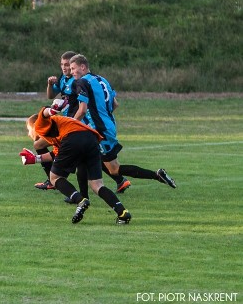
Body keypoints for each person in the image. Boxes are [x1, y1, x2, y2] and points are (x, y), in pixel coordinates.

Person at [68, 54, 177, 192]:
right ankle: (82, 198)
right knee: (99, 165)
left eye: (73, 68)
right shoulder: (102, 80)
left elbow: (82, 110)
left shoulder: (82, 82)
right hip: (108, 126)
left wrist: (71, 123)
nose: (71, 72)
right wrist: (103, 116)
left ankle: (81, 198)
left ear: (82, 67)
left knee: (100, 165)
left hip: (99, 131)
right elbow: (115, 104)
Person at [21, 107, 132, 224]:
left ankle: (80, 200)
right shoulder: (57, 128)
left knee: (54, 178)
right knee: (97, 185)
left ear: (34, 125)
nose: (29, 134)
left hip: (73, 138)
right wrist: (35, 159)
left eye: (28, 130)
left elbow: (44, 113)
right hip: (91, 139)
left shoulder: (40, 125)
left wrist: (53, 109)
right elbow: (57, 153)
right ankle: (122, 213)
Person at [33, 51, 79, 191]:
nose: (64, 68)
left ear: (73, 65)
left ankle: (53, 181)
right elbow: (50, 95)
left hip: (70, 124)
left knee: (40, 145)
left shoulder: (78, 81)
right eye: (62, 65)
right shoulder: (64, 78)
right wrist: (49, 84)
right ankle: (119, 178)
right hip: (63, 122)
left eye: (67, 65)